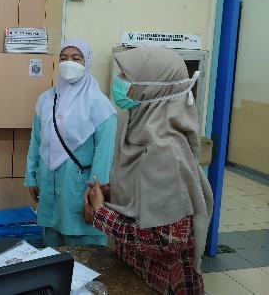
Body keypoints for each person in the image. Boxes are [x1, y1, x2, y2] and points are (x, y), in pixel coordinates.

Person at [85, 47, 214, 295]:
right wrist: (109, 194)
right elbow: (146, 199)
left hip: (160, 283)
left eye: (126, 76)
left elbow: (168, 242)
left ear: (154, 88)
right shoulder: (139, 135)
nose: (118, 81)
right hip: (134, 272)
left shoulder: (166, 151)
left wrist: (102, 214)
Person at [24, 39, 117, 247]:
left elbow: (104, 155)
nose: (69, 63)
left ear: (87, 62)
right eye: (64, 58)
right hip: (48, 184)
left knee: (86, 254)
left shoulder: (100, 105)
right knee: (53, 249)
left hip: (79, 189)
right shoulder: (46, 100)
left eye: (76, 59)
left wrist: (95, 194)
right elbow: (36, 141)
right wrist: (31, 176)